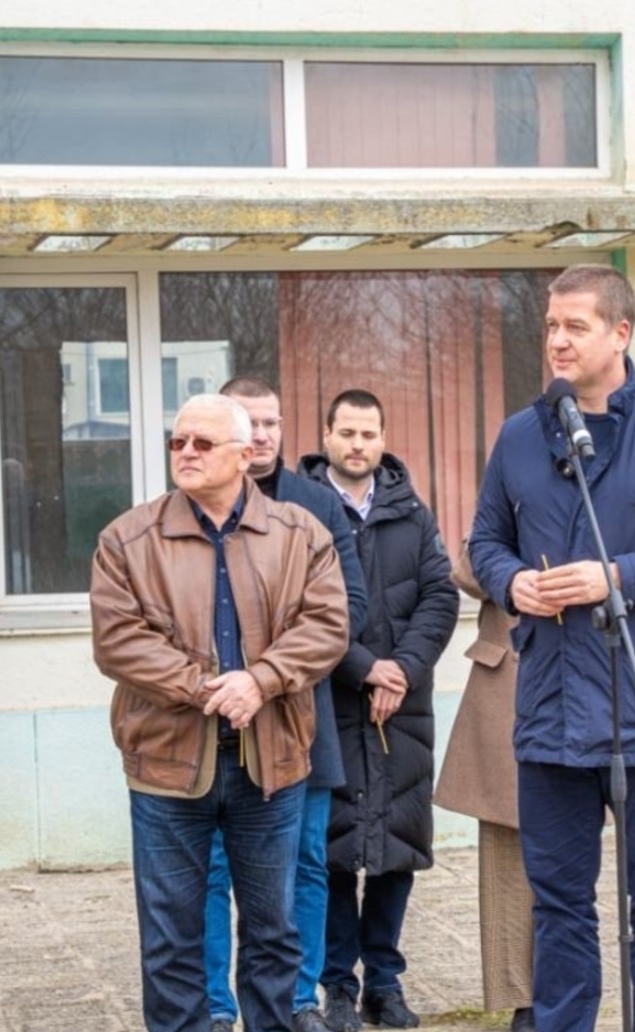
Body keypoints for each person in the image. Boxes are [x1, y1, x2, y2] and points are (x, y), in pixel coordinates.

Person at [468, 264, 635, 1032]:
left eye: (576, 326)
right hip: (550, 706)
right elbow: (485, 541)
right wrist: (512, 582)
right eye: (551, 326)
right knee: (557, 901)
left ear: (620, 333)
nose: (557, 340)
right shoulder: (519, 436)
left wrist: (613, 576)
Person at [90, 393, 349, 1032]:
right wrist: (207, 689)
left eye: (202, 443)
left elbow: (327, 627)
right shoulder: (128, 538)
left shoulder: (299, 533)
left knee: (273, 933)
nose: (185, 453)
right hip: (167, 764)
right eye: (177, 442)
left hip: (272, 763)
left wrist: (261, 681)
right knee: (170, 939)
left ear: (244, 454)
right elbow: (118, 641)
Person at [202, 376, 369, 1032]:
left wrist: (269, 669)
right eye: (250, 422)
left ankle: (299, 1000)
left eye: (272, 422)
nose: (264, 434)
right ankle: (216, 1007)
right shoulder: (187, 505)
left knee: (304, 864)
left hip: (302, 718)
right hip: (213, 722)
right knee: (213, 868)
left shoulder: (317, 505)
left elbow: (350, 608)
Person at [302, 389, 460, 1032]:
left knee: (397, 846)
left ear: (383, 439)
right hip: (333, 700)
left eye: (369, 433)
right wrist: (365, 668)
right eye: (347, 432)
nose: (358, 444)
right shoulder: (302, 509)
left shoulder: (412, 513)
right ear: (327, 435)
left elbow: (440, 597)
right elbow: (302, 611)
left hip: (402, 709)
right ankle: (337, 986)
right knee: (336, 851)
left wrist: (404, 670)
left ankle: (384, 983)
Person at [436, 543, 537, 1032]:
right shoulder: (506, 500)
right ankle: (523, 997)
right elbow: (468, 572)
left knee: (573, 860)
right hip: (509, 685)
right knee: (508, 852)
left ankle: (569, 984)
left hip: (588, 682)